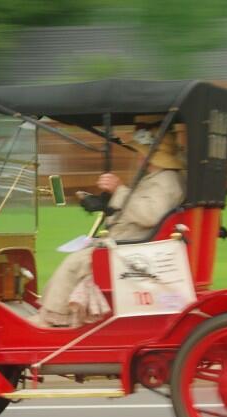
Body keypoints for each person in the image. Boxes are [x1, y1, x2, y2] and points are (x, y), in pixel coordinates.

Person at [31, 117, 186, 327]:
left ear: (151, 156)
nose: (136, 156)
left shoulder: (165, 181)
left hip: (135, 249)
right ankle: (53, 312)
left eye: (139, 151)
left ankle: (55, 319)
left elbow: (149, 215)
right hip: (131, 241)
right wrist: (107, 202)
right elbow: (137, 206)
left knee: (76, 262)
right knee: (80, 252)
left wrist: (118, 190)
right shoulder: (157, 179)